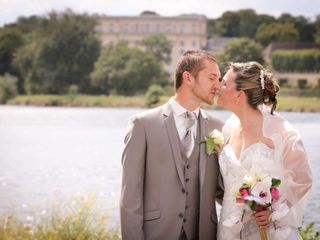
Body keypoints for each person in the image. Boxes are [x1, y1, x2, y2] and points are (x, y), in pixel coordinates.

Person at [120, 50, 224, 240]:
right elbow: (130, 198)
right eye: (212, 78)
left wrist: (255, 201)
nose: (218, 86)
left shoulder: (219, 128)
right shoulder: (143, 124)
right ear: (188, 78)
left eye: (219, 79)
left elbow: (222, 189)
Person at [216, 61, 313, 239]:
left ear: (240, 94)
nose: (217, 86)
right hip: (228, 231)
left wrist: (274, 211)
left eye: (224, 83)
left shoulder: (281, 131)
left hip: (267, 232)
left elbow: (303, 179)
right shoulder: (228, 127)